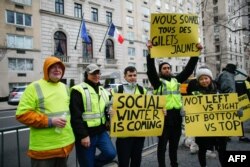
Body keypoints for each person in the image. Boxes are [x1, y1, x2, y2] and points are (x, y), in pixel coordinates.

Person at [146, 41, 202, 167]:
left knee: (174, 145)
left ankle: (174, 164)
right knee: (162, 146)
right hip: (163, 117)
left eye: (168, 68)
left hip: (176, 117)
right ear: (160, 71)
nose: (167, 70)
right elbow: (150, 70)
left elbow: (188, 69)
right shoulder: (157, 82)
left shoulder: (177, 80)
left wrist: (196, 53)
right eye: (164, 68)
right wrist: (150, 53)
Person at [16, 56, 75, 167]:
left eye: (60, 67)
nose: (57, 69)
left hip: (65, 147)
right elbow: (22, 114)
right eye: (53, 67)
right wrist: (50, 121)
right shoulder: (34, 87)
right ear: (46, 69)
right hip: (44, 150)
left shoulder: (65, 87)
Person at [70, 64, 116, 167]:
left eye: (98, 73)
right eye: (93, 73)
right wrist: (83, 135)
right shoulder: (78, 90)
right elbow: (75, 116)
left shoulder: (103, 90)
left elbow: (106, 108)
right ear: (87, 74)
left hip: (101, 132)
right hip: (86, 134)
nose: (96, 76)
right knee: (87, 164)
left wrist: (110, 112)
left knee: (111, 153)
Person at [188, 67, 227, 167]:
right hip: (203, 127)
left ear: (210, 78)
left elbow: (227, 106)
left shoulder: (218, 90)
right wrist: (185, 111)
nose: (204, 81)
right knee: (202, 149)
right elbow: (191, 107)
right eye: (201, 79)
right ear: (198, 81)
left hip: (218, 127)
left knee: (222, 149)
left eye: (206, 78)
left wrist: (236, 110)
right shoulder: (195, 93)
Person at [111, 66, 147, 167]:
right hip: (123, 134)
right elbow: (110, 105)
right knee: (124, 162)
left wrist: (161, 110)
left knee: (136, 160)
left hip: (138, 133)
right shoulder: (118, 89)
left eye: (134, 75)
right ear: (125, 77)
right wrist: (110, 110)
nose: (132, 77)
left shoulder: (142, 89)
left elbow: (149, 107)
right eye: (130, 75)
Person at [236, 74, 250, 142]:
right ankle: (241, 136)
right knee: (239, 118)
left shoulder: (244, 82)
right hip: (242, 102)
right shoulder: (245, 82)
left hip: (242, 102)